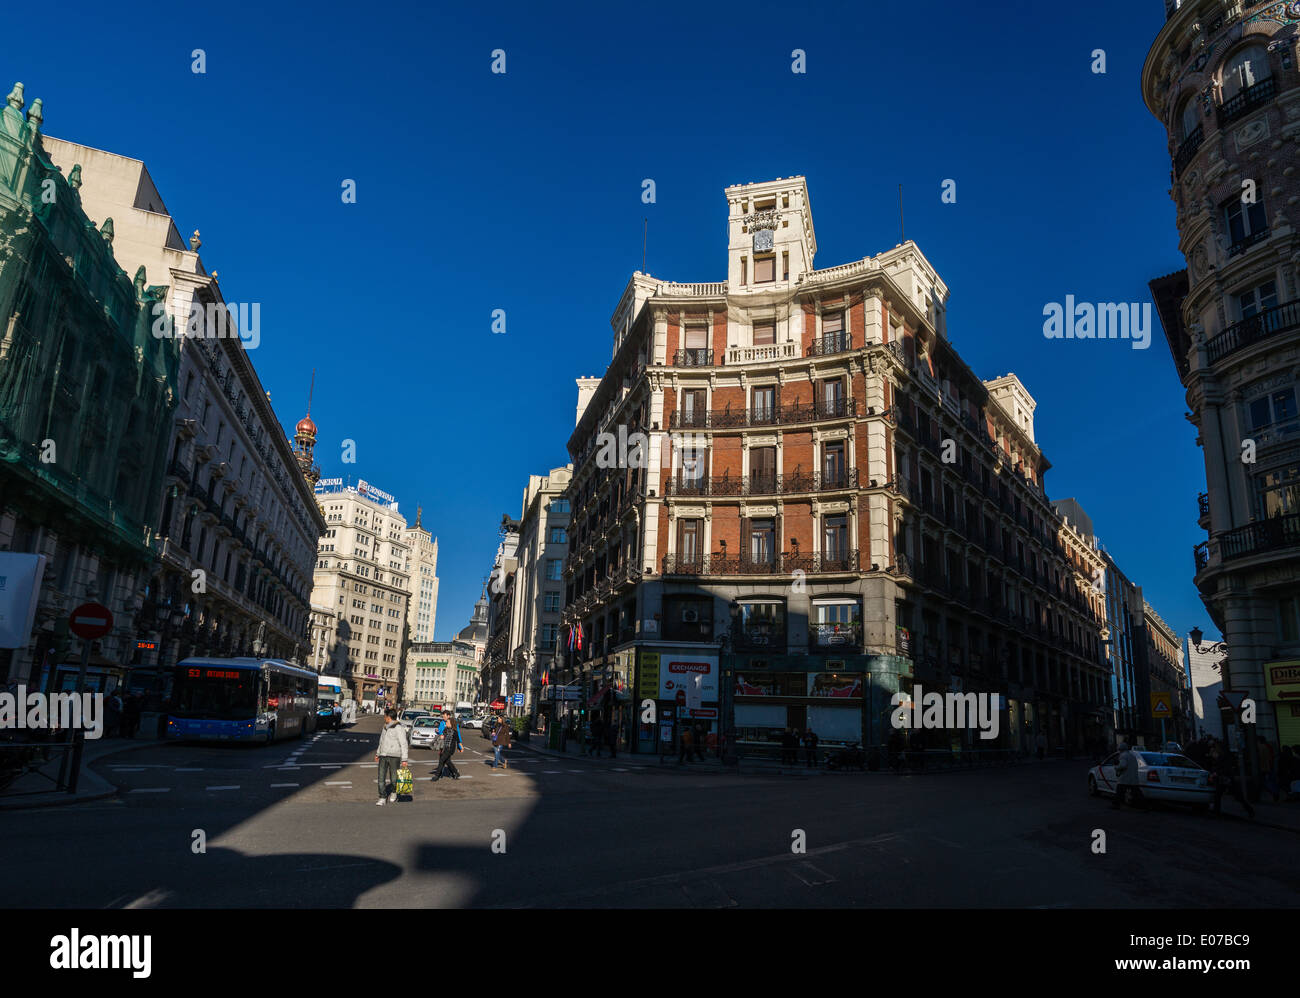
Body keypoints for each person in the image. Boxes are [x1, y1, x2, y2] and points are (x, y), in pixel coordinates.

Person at [1210, 743, 1255, 819]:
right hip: (1225, 780)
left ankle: (1250, 810)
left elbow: (1225, 769)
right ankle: (1216, 812)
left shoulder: (1222, 759)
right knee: (1220, 796)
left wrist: (1216, 773)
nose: (1213, 755)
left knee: (1221, 796)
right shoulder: (1221, 758)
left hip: (1226, 779)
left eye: (1213, 753)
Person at [375, 709, 409, 805]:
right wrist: (378, 753)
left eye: (385, 716)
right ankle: (382, 797)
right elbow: (381, 741)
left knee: (394, 778)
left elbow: (403, 743)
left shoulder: (399, 728)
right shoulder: (385, 727)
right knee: (381, 777)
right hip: (383, 755)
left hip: (395, 756)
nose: (384, 718)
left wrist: (404, 759)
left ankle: (394, 792)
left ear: (389, 717)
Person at [1111, 741, 1142, 810]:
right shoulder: (1132, 756)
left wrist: (1116, 767)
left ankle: (1116, 804)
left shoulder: (1123, 755)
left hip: (1125, 777)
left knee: (1119, 791)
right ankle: (1141, 805)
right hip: (1133, 777)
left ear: (1120, 749)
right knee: (1136, 792)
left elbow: (1123, 765)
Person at [433, 711, 462, 781]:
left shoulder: (454, 731)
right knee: (447, 761)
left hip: (450, 748)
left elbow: (458, 739)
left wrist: (460, 747)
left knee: (442, 760)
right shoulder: (445, 729)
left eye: (447, 723)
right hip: (444, 747)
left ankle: (437, 776)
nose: (446, 723)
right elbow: (442, 734)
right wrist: (439, 734)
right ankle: (455, 773)